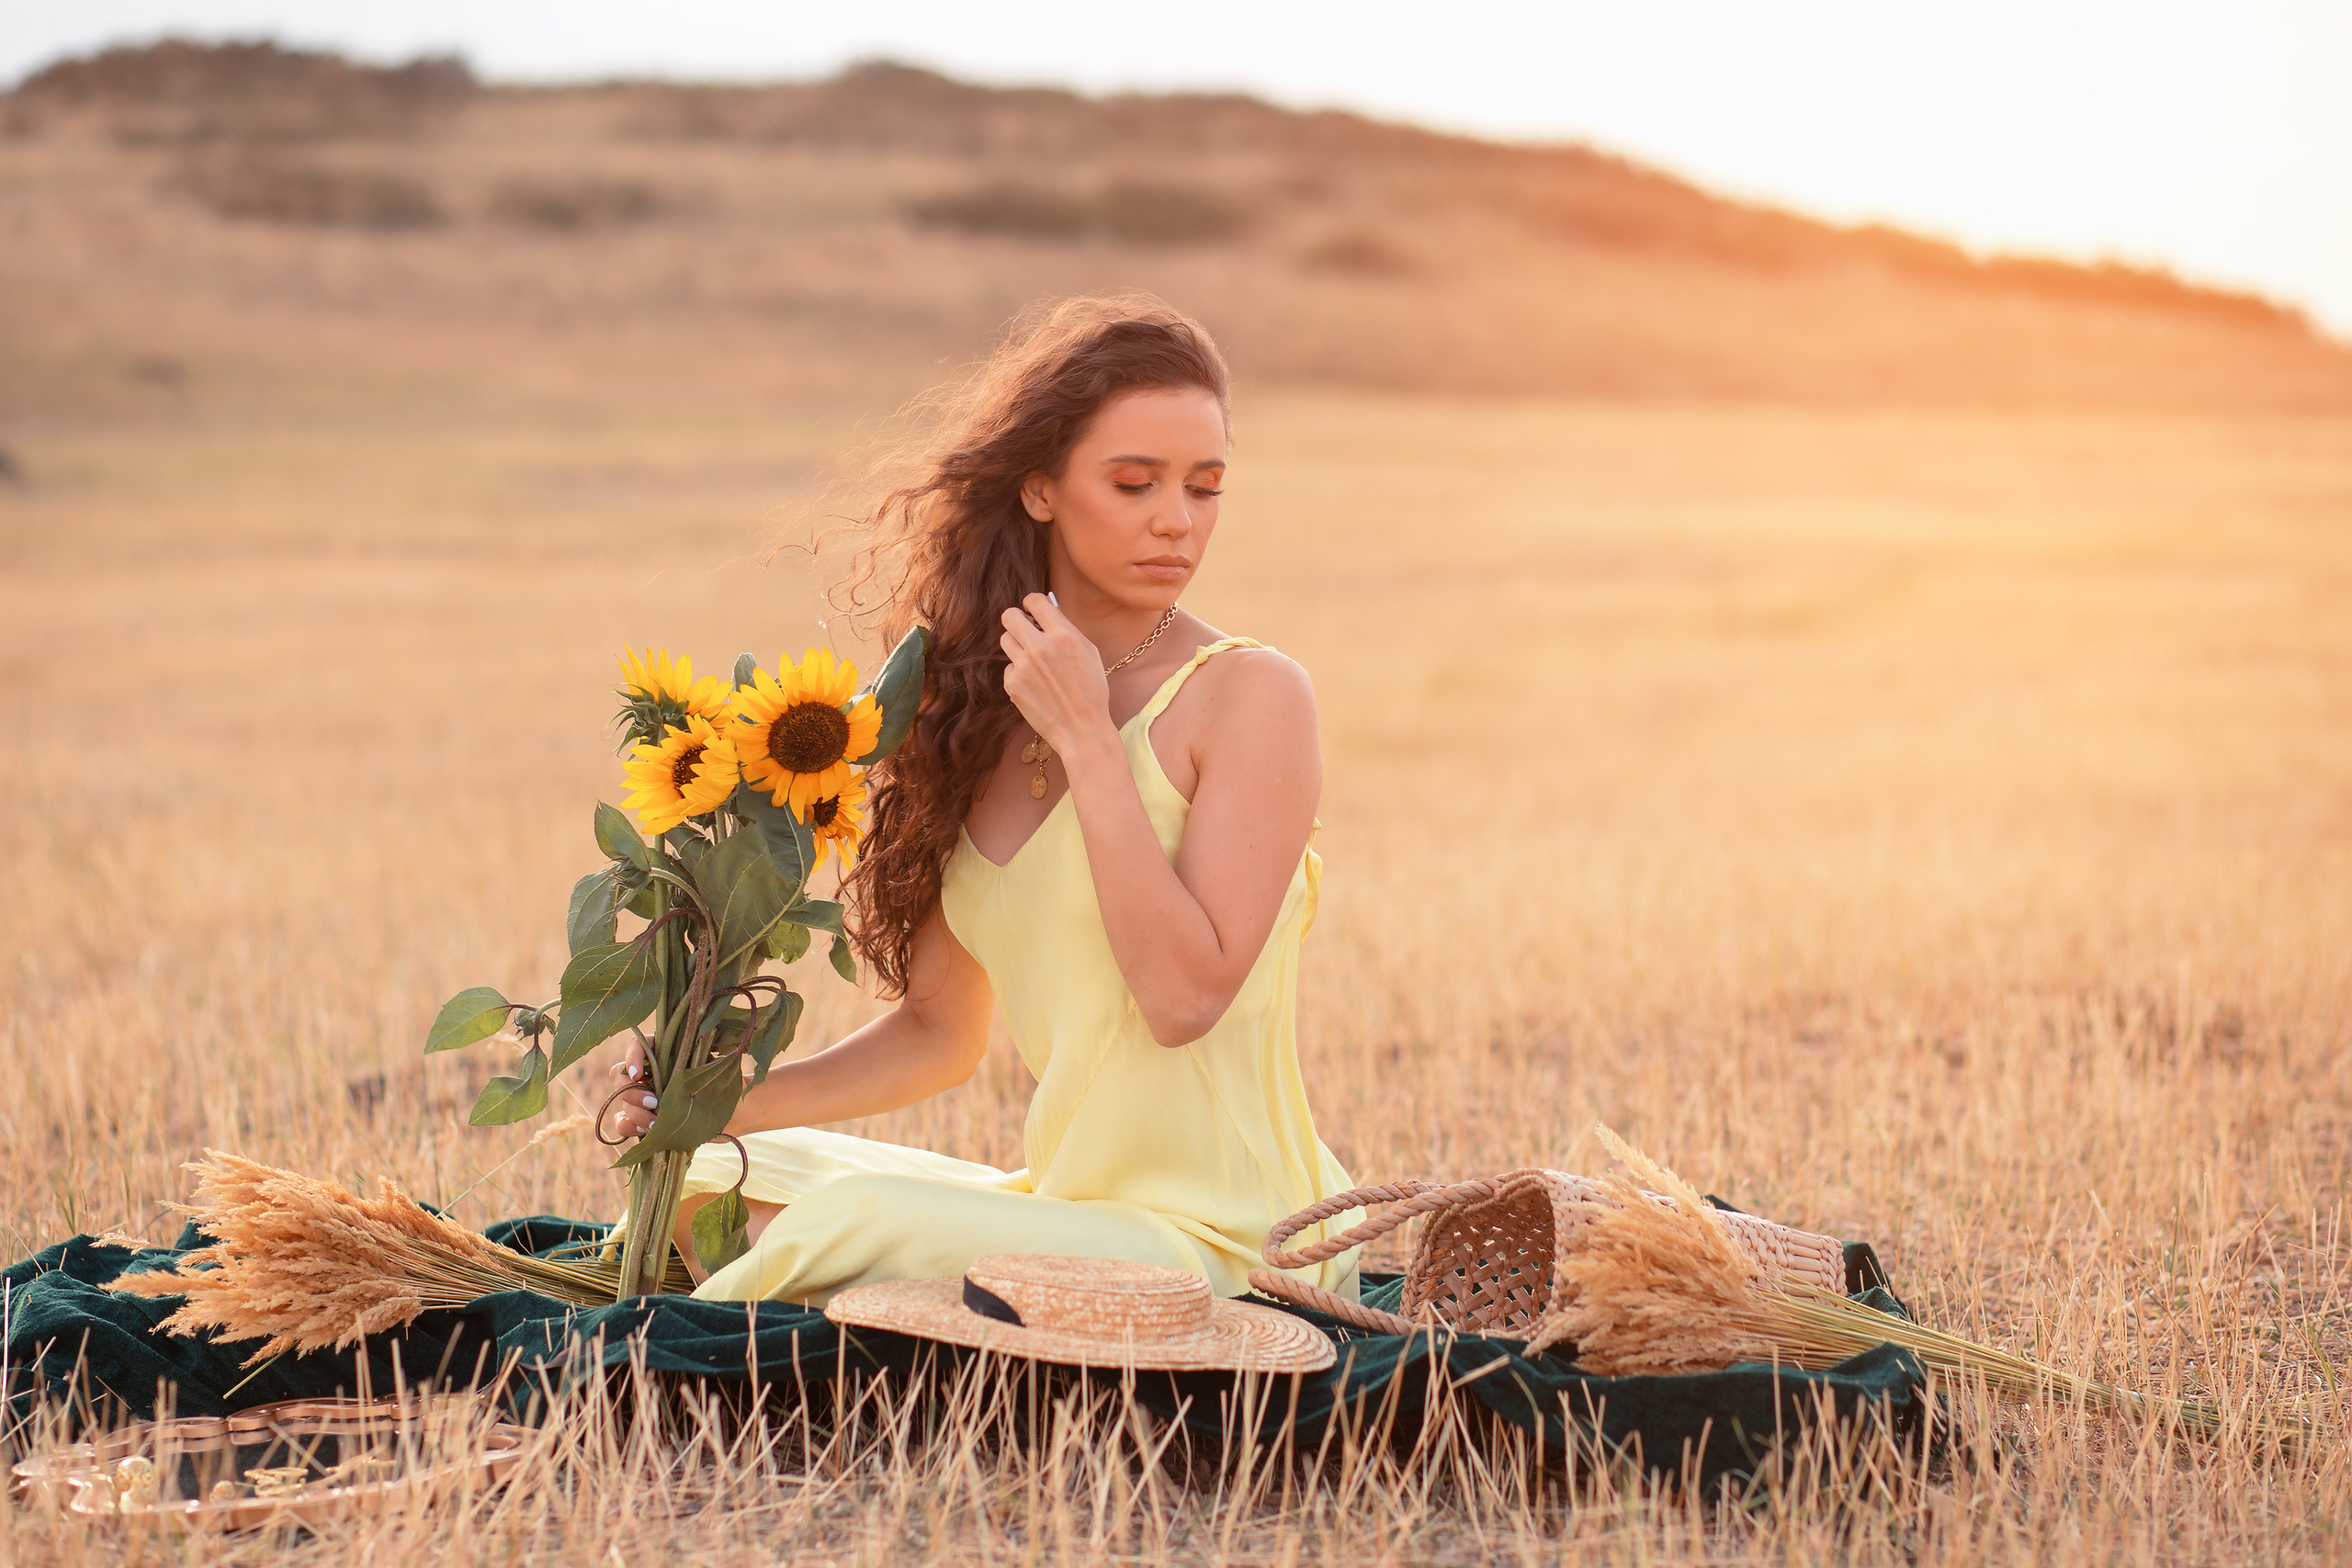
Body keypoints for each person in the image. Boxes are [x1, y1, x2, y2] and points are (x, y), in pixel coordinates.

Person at [605, 295, 1359, 1307]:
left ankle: (827, 1292)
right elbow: (936, 1034)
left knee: (844, 1224)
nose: (1176, 519)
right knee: (711, 1178)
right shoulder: (960, 719)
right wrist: (717, 1108)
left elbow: (1184, 1001)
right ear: (1040, 490)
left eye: (1205, 486)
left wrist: (1090, 740)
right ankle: (897, 1284)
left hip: (1228, 1239)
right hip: (1072, 1208)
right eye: (1134, 482)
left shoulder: (1250, 694)